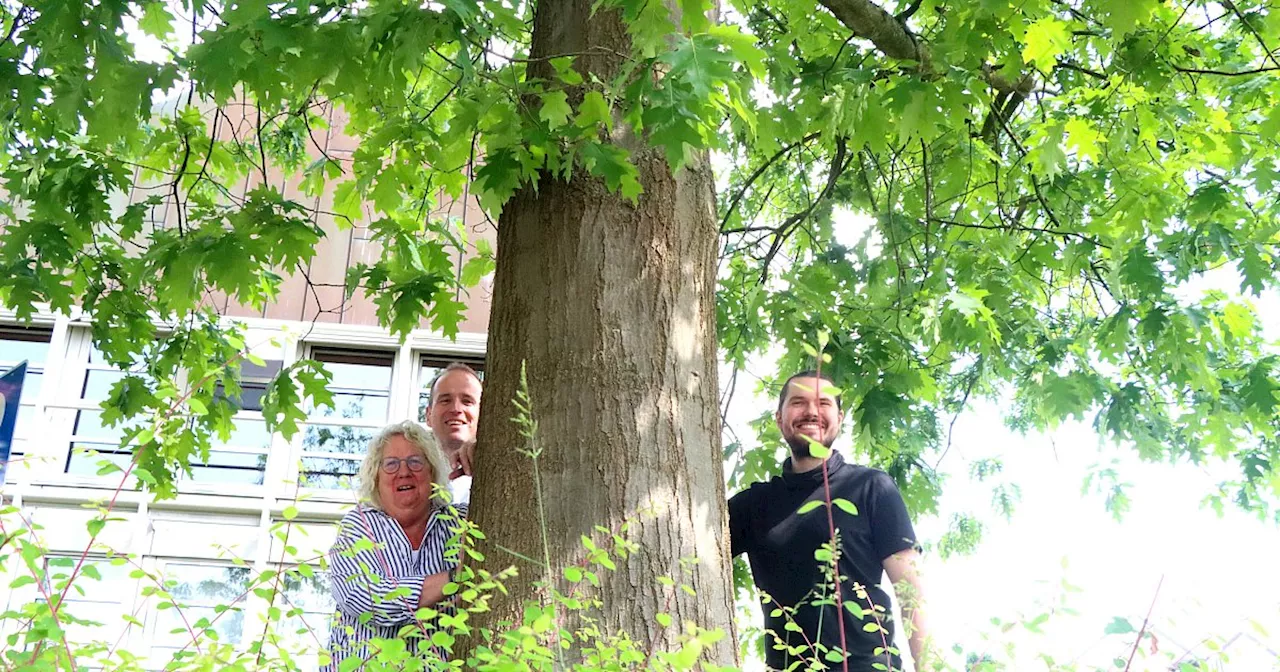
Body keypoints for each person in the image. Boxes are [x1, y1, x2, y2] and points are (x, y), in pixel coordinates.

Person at [729, 370, 931, 671]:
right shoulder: (752, 505)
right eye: (798, 402)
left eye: (823, 403)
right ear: (779, 418)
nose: (811, 411)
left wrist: (926, 667)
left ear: (839, 417)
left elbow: (910, 590)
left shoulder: (872, 488)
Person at [325, 421, 465, 670]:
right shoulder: (359, 525)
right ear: (376, 477)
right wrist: (453, 578)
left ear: (432, 472)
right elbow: (360, 595)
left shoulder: (460, 522)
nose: (404, 472)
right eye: (390, 464)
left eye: (415, 462)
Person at [422, 363, 482, 507]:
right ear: (428, 415)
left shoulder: (500, 472)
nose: (456, 409)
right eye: (445, 400)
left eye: (467, 401)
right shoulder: (407, 473)